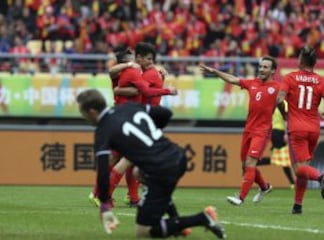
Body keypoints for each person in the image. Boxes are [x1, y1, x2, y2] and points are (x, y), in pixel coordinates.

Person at [76, 89, 226, 239]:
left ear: (91, 112)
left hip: (161, 168)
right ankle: (176, 223)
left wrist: (104, 207)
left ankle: (203, 218)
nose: (83, 117)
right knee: (138, 173)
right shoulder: (128, 107)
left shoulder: (103, 130)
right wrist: (152, 135)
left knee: (143, 232)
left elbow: (103, 171)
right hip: (177, 156)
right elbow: (166, 114)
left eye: (82, 113)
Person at [89, 45, 177, 208]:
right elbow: (144, 91)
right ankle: (104, 194)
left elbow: (134, 89)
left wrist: (119, 89)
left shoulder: (141, 72)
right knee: (126, 159)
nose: (137, 60)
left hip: (131, 117)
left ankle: (131, 197)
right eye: (134, 57)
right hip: (132, 119)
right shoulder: (135, 71)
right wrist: (167, 90)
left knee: (127, 160)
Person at [199, 56, 280, 206]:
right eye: (261, 66)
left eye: (265, 67)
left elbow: (284, 103)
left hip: (262, 131)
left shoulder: (277, 87)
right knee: (246, 166)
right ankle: (265, 187)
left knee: (250, 162)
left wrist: (288, 119)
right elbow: (232, 79)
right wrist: (215, 71)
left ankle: (241, 197)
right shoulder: (253, 83)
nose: (261, 69)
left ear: (273, 70)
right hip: (248, 129)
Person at [276, 45, 324, 214]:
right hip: (314, 130)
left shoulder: (290, 78)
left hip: (297, 129)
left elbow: (279, 100)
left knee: (299, 170)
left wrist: (285, 115)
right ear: (314, 62)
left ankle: (321, 178)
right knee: (304, 168)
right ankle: (297, 206)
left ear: (301, 60)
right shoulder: (322, 82)